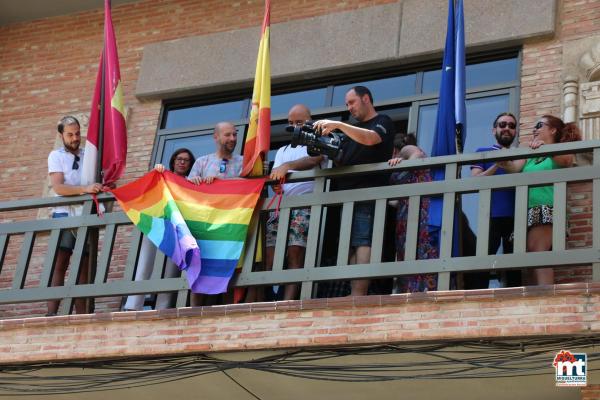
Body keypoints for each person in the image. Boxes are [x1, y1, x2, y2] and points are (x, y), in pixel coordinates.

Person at [313, 86, 395, 296]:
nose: (349, 108)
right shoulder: (351, 132)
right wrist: (322, 146)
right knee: (350, 245)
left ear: (366, 98)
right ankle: (352, 292)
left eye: (352, 102)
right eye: (347, 104)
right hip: (346, 196)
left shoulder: (382, 121)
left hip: (367, 194)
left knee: (362, 241)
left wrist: (339, 125)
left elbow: (371, 138)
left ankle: (359, 293)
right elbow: (342, 160)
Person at [497, 115, 581, 285]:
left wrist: (545, 148)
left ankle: (546, 296)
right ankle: (542, 294)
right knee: (533, 255)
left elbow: (567, 161)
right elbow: (513, 169)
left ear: (553, 130)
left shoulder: (559, 149)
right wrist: (503, 161)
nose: (534, 129)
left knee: (538, 252)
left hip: (547, 208)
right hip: (528, 210)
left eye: (539, 125)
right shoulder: (530, 154)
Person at [263, 104, 325, 301]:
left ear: (310, 122)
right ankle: (267, 298)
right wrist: (277, 183)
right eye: (291, 123)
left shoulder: (317, 143)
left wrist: (287, 166)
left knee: (295, 254)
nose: (295, 126)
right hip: (280, 206)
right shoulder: (282, 150)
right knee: (269, 258)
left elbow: (316, 159)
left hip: (304, 206)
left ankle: (288, 301)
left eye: (300, 122)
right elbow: (278, 177)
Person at [123, 148, 194, 311]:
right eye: (179, 159)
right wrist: (156, 171)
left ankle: (163, 307)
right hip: (156, 224)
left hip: (176, 230)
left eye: (186, 160)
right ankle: (133, 306)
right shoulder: (162, 176)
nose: (182, 162)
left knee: (170, 269)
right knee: (144, 264)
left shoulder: (189, 183)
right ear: (173, 160)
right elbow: (147, 187)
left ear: (190, 164)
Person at [47, 116, 103, 316]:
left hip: (85, 213)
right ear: (61, 135)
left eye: (77, 133)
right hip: (64, 214)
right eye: (70, 134)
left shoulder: (90, 154)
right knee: (61, 260)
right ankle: (52, 313)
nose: (75, 138)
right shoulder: (56, 155)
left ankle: (82, 314)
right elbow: (59, 187)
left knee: (85, 265)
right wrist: (84, 189)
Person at [187, 122, 243, 306]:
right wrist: (194, 182)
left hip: (231, 226)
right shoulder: (202, 162)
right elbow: (186, 192)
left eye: (235, 135)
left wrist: (223, 182)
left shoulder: (243, 162)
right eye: (228, 135)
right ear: (216, 137)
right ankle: (195, 314)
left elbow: (249, 184)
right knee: (200, 267)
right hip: (205, 226)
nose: (233, 139)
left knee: (228, 268)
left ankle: (226, 312)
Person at [470, 112, 519, 288]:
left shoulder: (520, 154)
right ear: (494, 130)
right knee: (484, 261)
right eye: (502, 124)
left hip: (517, 217)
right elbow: (475, 181)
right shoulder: (482, 153)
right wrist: (497, 164)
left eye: (511, 126)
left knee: (515, 265)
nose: (507, 128)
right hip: (489, 216)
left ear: (515, 132)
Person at [388, 144, 439, 293]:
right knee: (409, 255)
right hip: (408, 218)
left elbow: (417, 154)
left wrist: (400, 165)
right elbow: (395, 201)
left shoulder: (406, 149)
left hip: (422, 215)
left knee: (424, 253)